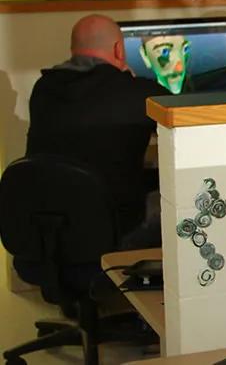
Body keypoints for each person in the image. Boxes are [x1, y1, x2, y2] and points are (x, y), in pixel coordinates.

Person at [26, 14, 169, 249]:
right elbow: (186, 132)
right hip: (117, 230)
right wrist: (131, 84)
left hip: (49, 232)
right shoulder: (139, 93)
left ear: (73, 50)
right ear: (119, 50)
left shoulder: (43, 89)